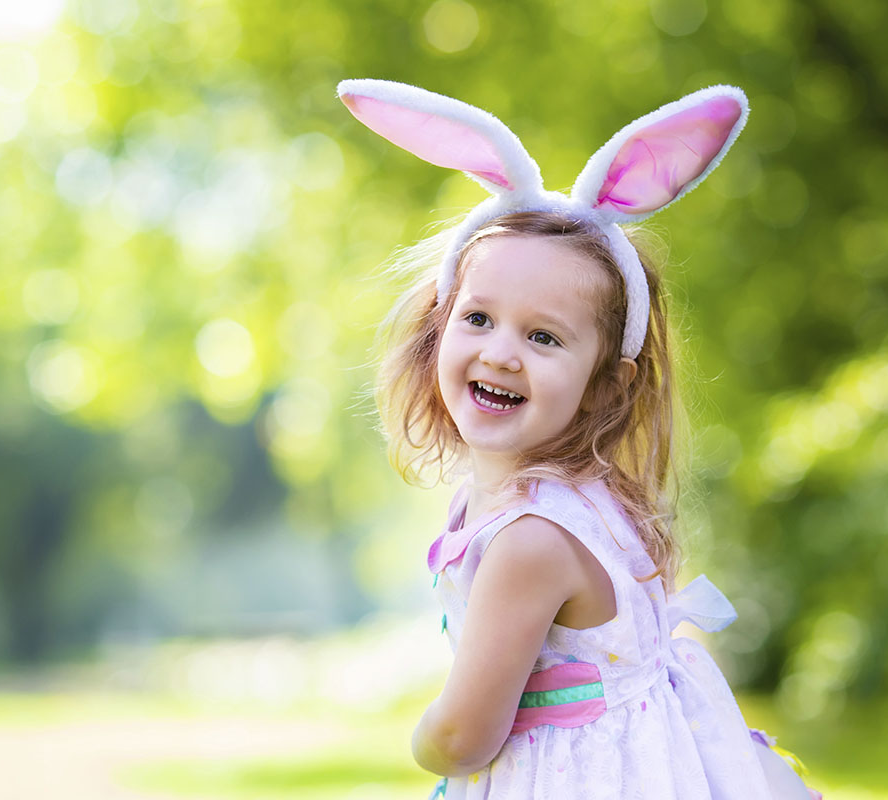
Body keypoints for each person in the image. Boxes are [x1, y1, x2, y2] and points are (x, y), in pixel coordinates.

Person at [339, 79, 822, 799]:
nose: (502, 353)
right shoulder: (571, 502)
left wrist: (425, 736)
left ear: (605, 386)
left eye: (543, 337)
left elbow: (463, 736)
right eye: (478, 319)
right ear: (439, 328)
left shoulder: (531, 540)